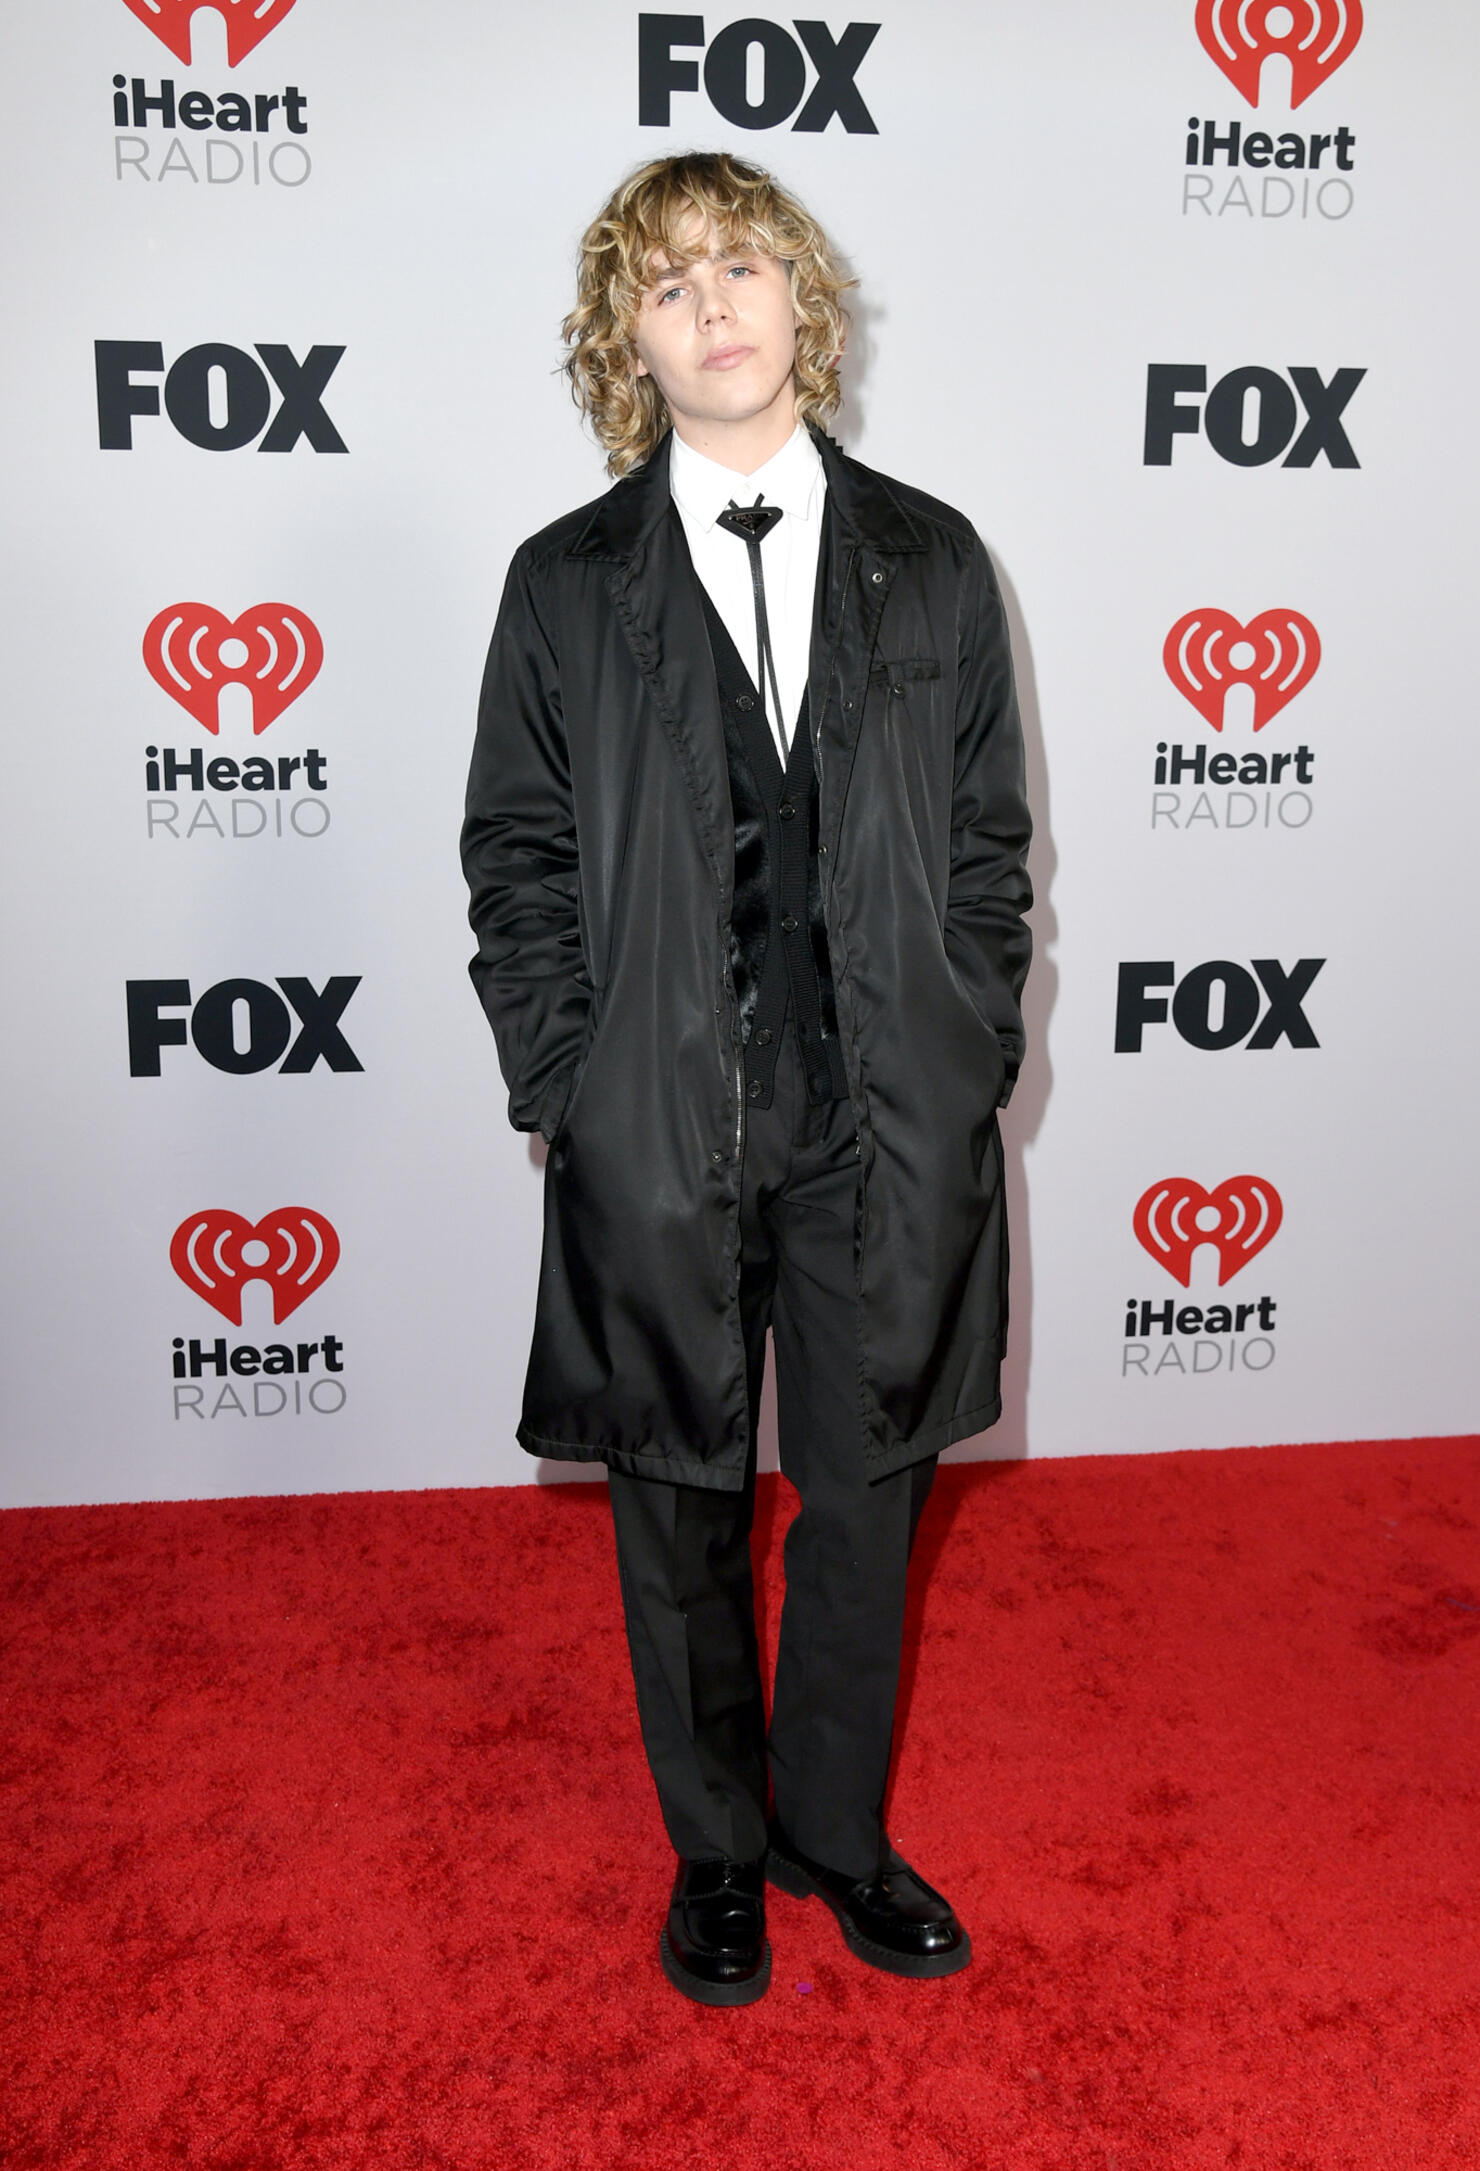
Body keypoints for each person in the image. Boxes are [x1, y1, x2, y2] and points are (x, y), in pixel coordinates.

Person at [461, 151, 1032, 2007]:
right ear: (624, 339)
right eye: (666, 280)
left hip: (880, 1125)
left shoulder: (935, 558)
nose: (711, 302)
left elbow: (987, 852)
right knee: (678, 1499)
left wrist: (967, 1053)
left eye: (741, 265)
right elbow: (518, 857)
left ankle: (835, 1837)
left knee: (872, 1495)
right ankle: (717, 1847)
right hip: (660, 1121)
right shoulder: (562, 588)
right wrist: (569, 1074)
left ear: (805, 302)